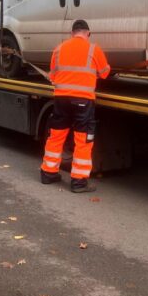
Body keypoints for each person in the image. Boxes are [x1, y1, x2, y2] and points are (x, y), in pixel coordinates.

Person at [41, 19, 110, 193]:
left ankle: (48, 173)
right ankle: (78, 181)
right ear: (88, 33)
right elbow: (104, 73)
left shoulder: (58, 49)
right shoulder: (94, 49)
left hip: (61, 99)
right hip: (83, 101)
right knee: (83, 141)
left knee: (56, 136)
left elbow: (53, 75)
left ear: (72, 33)